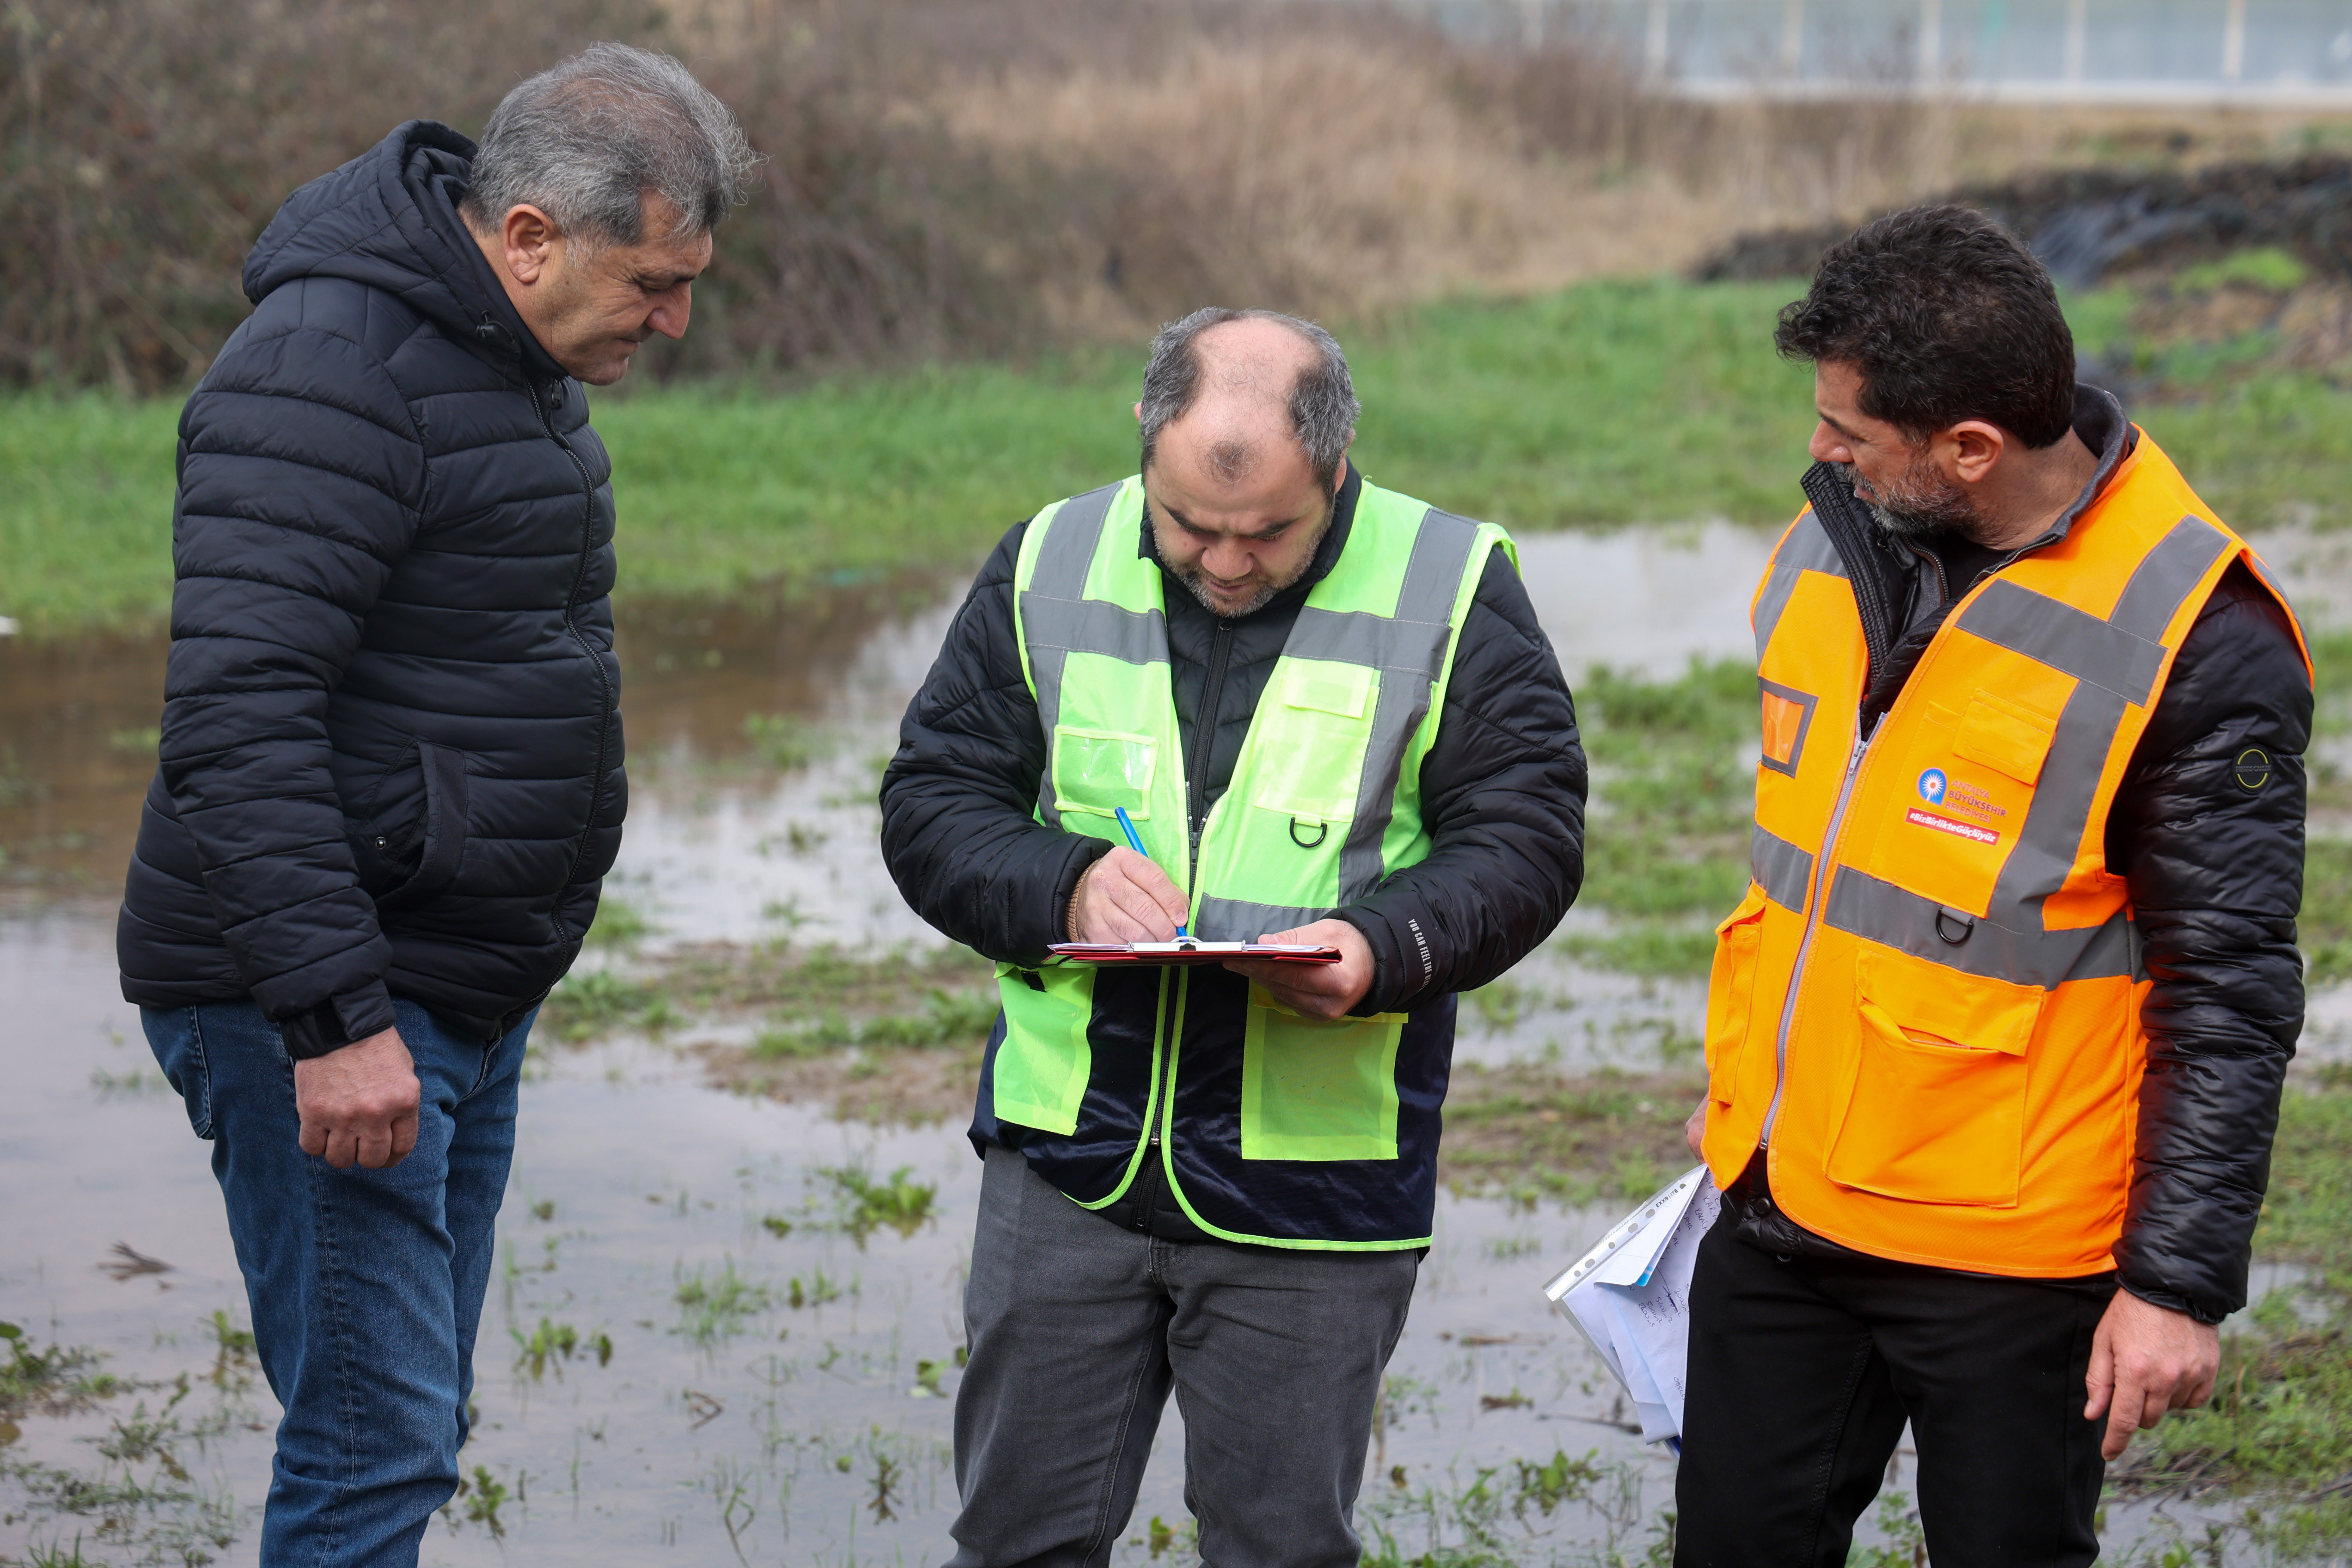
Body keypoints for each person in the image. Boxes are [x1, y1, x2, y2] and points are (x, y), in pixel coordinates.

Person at [116, 45, 751, 1567]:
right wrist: (335, 1024)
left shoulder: (503, 353)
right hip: (330, 998)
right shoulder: (328, 370)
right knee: (373, 1445)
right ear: (528, 236)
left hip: (447, 984)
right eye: (654, 283)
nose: (674, 319)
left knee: (406, 1421)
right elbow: (237, 716)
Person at [880, 307, 1585, 1566]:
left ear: (1337, 461)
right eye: (1189, 525)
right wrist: (1063, 885)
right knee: (1015, 1543)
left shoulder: (1451, 580)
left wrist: (1384, 949)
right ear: (1145, 438)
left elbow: (1526, 838)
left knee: (1280, 1550)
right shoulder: (1049, 557)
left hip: (1315, 1192)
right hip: (1067, 1164)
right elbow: (935, 800)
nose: (1223, 562)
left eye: (1268, 533)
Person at [1676, 205, 2310, 1567]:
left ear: (1970, 447)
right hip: (1782, 1202)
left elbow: (2230, 990)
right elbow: (1829, 869)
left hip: (2011, 1262)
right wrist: (1757, 1085)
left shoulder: (2198, 634)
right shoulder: (1841, 533)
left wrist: (2175, 1286)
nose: (1820, 450)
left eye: (1848, 428)